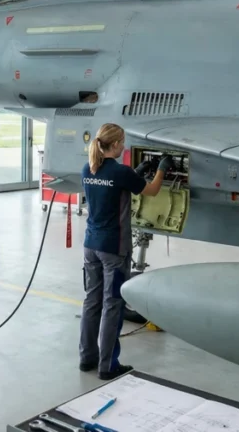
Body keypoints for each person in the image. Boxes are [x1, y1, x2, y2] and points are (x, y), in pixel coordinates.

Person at [79, 122, 172, 380]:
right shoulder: (120, 172)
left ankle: (87, 358)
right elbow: (151, 190)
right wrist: (162, 169)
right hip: (114, 249)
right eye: (122, 141)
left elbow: (112, 185)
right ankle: (108, 366)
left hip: (90, 246)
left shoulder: (88, 168)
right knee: (112, 305)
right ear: (117, 144)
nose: (124, 145)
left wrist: (137, 172)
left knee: (91, 301)